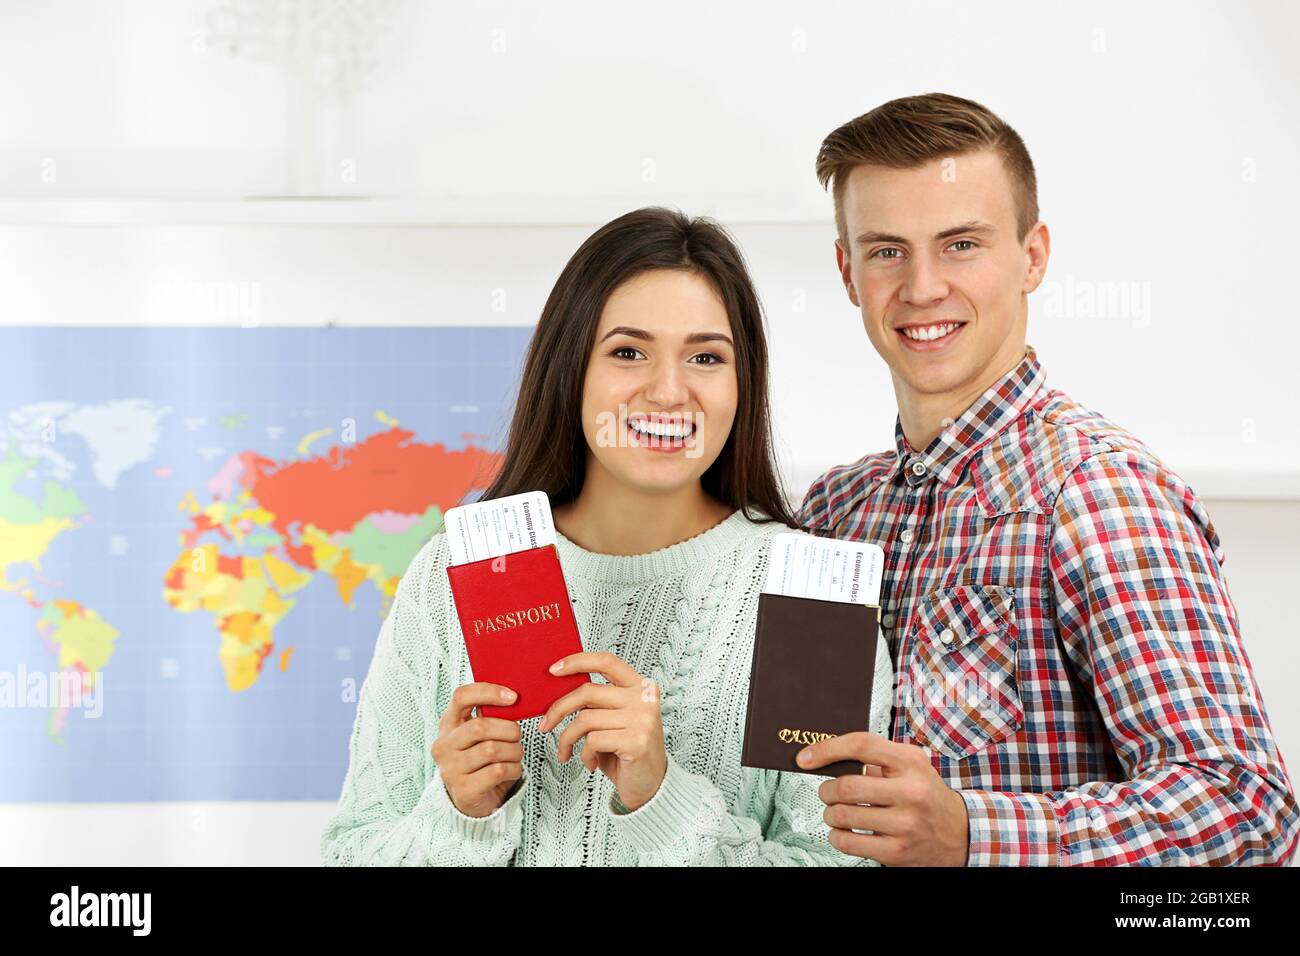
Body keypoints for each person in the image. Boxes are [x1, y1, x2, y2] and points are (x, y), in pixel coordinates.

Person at [792, 92, 1299, 865]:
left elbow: (1244, 805)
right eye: (887, 250)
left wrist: (973, 834)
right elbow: (784, 779)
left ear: (1033, 256)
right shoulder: (832, 513)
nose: (923, 287)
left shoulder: (1100, 494)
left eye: (961, 244)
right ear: (847, 271)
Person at [319, 206, 894, 866]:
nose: (669, 391)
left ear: (743, 384)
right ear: (572, 371)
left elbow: (834, 861)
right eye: (628, 352)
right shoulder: (449, 573)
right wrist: (459, 817)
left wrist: (661, 797)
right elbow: (353, 851)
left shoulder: (813, 609)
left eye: (706, 357)